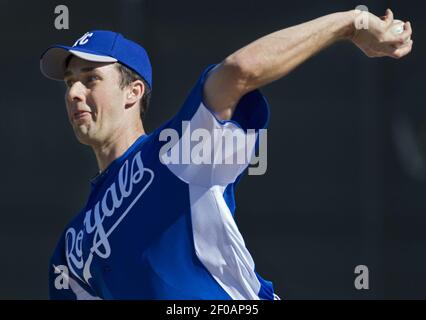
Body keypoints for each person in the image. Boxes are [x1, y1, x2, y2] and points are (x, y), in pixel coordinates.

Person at [40, 8, 413, 300]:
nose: (74, 93)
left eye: (90, 79)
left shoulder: (174, 153)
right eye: (71, 82)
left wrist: (352, 23)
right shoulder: (72, 249)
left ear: (133, 92)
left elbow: (240, 71)